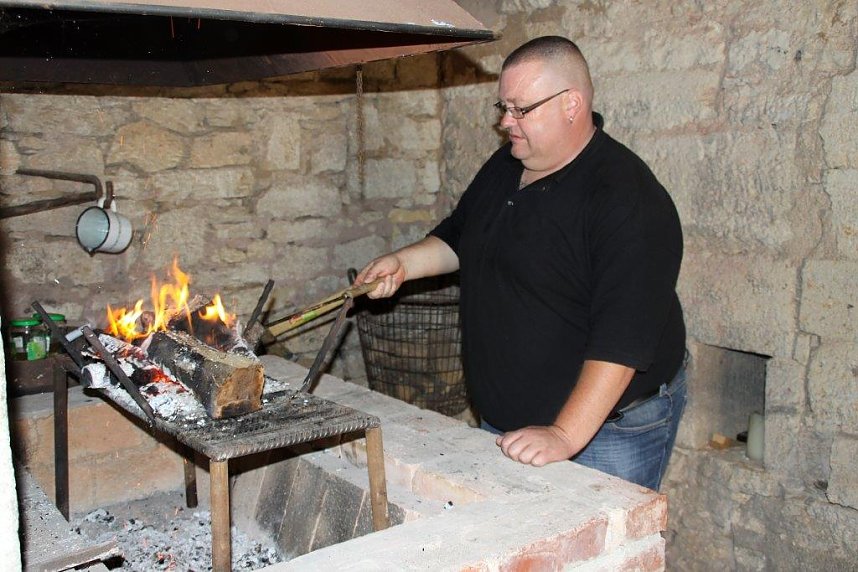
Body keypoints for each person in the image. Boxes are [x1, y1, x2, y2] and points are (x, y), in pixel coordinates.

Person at [354, 36, 687, 491]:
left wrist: (564, 434)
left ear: (571, 104)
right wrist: (402, 264)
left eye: (520, 109)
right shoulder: (510, 162)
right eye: (503, 108)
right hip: (513, 425)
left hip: (607, 429)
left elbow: (621, 344)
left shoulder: (627, 201)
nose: (506, 122)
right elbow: (461, 235)